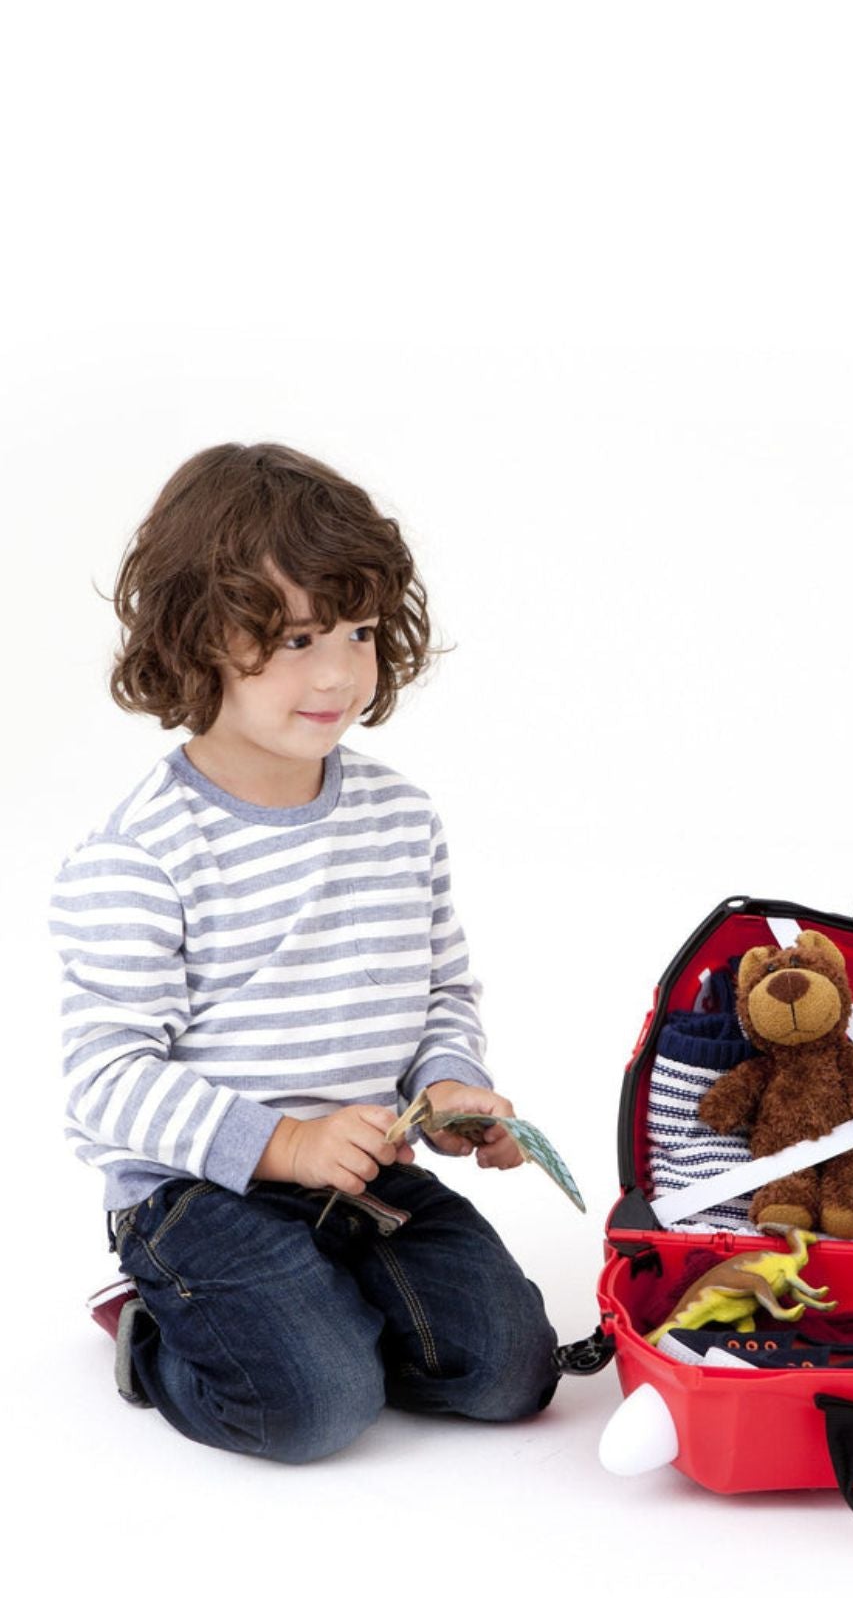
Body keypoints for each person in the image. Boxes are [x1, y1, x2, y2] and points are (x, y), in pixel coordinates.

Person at [49, 442, 560, 1461]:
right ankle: (154, 1332)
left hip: (361, 1173)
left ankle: (324, 1307)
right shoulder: (139, 852)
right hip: (199, 1190)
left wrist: (450, 1083)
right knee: (316, 1409)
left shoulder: (400, 817)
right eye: (293, 639)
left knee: (514, 1371)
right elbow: (105, 1082)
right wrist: (285, 1145)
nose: (337, 673)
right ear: (197, 638)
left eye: (358, 631)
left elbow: (441, 989)